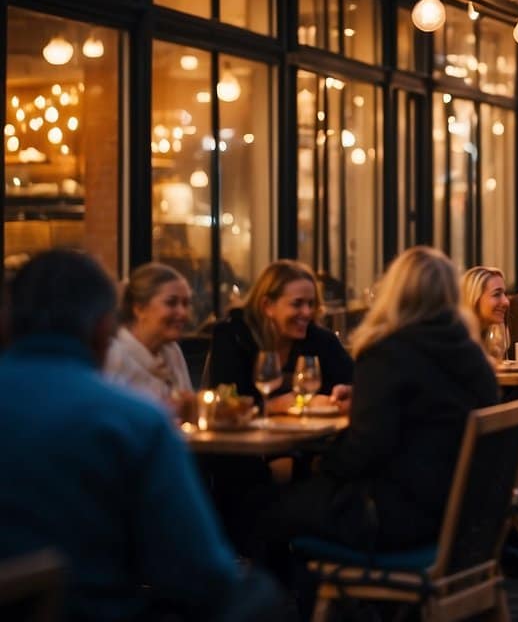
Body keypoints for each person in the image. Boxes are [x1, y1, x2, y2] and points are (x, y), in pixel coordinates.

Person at [0, 249, 279, 620]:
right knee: (260, 593)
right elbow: (199, 573)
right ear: (105, 328)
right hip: (90, 609)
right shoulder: (130, 420)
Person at [256, 247, 498, 562]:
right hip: (465, 520)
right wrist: (365, 398)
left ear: (395, 292)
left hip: (396, 520)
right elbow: (426, 406)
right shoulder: (473, 356)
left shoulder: (387, 353)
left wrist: (317, 462)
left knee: (270, 511)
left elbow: (365, 450)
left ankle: (312, 603)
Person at [207, 260, 354, 414]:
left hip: (313, 435)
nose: (307, 312)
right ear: (267, 306)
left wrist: (346, 391)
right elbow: (224, 403)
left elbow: (357, 382)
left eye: (311, 304)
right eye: (297, 304)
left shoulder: (320, 339)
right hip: (245, 436)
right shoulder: (233, 336)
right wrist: (273, 406)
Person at [104, 262, 194, 408]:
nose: (183, 313)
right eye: (171, 303)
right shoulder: (113, 356)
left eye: (185, 303)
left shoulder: (172, 351)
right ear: (139, 309)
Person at [461, 265, 511, 361]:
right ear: (474, 298)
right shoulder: (455, 341)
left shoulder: (494, 339)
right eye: (496, 294)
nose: (506, 302)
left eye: (505, 294)